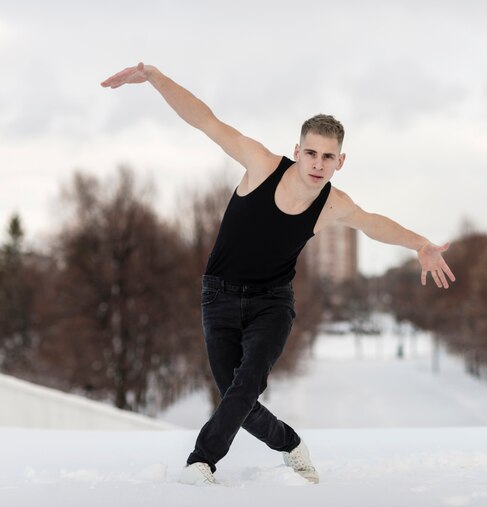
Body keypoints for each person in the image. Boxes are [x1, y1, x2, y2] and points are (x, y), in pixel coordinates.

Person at [101, 62, 456, 486]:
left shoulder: (332, 202)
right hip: (219, 295)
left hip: (273, 302)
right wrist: (156, 79)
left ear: (340, 161)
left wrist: (420, 244)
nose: (318, 163)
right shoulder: (263, 165)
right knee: (236, 394)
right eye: (311, 152)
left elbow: (373, 222)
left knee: (248, 382)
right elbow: (206, 121)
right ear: (297, 149)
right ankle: (290, 444)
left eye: (328, 156)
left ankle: (201, 462)